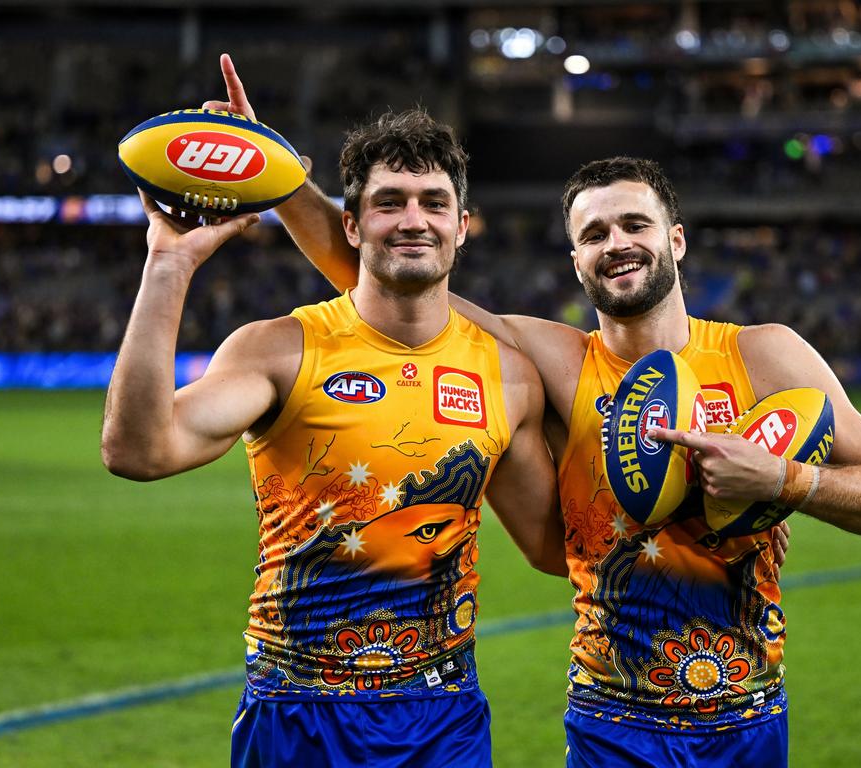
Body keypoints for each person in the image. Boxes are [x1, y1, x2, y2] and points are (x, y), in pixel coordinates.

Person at [240, 86, 861, 768]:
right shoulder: (557, 363)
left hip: (749, 718)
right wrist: (275, 176)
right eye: (593, 234)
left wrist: (781, 478)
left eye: (636, 224)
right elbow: (389, 276)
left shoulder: (766, 354)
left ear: (676, 240)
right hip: (612, 726)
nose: (617, 244)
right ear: (575, 260)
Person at [100, 93, 567, 766]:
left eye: (433, 203)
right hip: (296, 716)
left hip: (443, 720)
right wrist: (168, 265)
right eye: (389, 202)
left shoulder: (509, 377)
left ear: (463, 226)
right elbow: (136, 450)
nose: (414, 220)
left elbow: (555, 548)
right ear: (350, 225)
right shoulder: (279, 350)